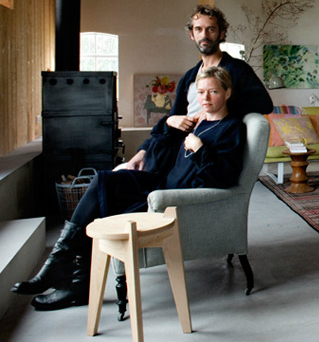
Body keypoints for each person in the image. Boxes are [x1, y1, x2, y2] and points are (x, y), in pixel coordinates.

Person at [12, 66, 245, 311]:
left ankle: (73, 280)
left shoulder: (232, 128)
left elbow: (224, 176)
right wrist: (169, 121)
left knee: (100, 204)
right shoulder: (197, 121)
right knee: (103, 181)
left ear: (227, 93)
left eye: (213, 92)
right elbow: (158, 140)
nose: (206, 98)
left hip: (174, 198)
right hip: (160, 183)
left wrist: (199, 149)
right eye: (201, 92)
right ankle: (62, 264)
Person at [127, 4, 272, 171]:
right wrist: (143, 151)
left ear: (221, 34)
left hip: (206, 148)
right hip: (178, 146)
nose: (204, 35)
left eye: (211, 29)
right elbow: (175, 117)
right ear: (192, 35)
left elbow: (264, 103)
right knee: (122, 173)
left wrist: (215, 111)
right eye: (198, 29)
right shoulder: (189, 77)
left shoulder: (237, 70)